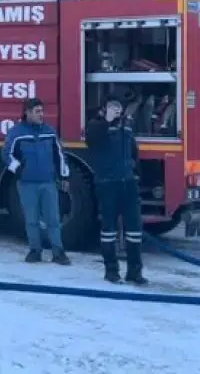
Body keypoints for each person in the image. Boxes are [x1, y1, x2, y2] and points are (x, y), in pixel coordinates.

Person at [85, 97, 148, 285]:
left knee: (134, 230)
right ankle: (111, 271)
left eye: (118, 107)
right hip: (107, 184)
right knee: (109, 231)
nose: (116, 110)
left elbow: (133, 151)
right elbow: (92, 140)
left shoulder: (127, 125)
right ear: (104, 109)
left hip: (127, 183)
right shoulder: (97, 125)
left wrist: (135, 173)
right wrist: (106, 122)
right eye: (111, 106)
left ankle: (134, 272)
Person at [3, 98, 72, 265]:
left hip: (48, 183)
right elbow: (6, 154)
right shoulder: (16, 133)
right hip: (27, 184)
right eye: (37, 111)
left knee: (53, 220)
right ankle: (35, 250)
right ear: (27, 113)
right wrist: (18, 169)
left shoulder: (49, 131)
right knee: (31, 220)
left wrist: (64, 176)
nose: (41, 114)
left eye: (42, 111)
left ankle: (58, 252)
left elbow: (60, 155)